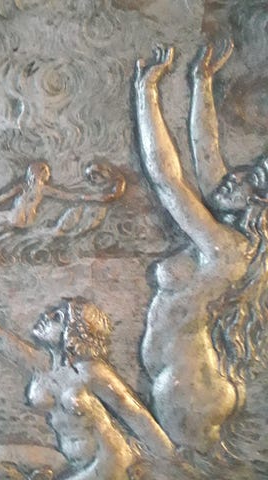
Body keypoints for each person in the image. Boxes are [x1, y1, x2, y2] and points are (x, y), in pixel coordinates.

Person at [134, 41, 268, 454]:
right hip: (181, 376)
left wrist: (146, 93)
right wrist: (202, 82)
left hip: (190, 386)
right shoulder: (227, 231)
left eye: (248, 181)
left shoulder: (227, 248)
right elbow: (205, 152)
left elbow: (167, 179)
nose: (233, 177)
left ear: (259, 204)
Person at [0, 265, 174, 480]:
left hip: (107, 460)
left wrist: (172, 461)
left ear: (74, 331)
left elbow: (136, 415)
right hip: (68, 459)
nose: (45, 317)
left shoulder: (92, 372)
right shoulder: (41, 364)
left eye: (57, 318)